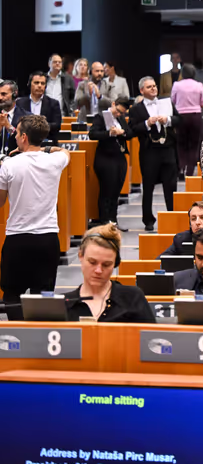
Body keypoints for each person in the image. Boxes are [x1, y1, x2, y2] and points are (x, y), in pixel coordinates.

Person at [0, 115, 69, 317]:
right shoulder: (55, 161)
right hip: (47, 239)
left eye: (17, 133)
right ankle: (39, 334)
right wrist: (47, 149)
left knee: (12, 295)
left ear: (24, 137)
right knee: (44, 296)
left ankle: (17, 332)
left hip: (17, 239)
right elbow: (65, 152)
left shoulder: (9, 165)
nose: (15, 137)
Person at [62, 224, 154, 322]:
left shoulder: (133, 298)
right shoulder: (62, 304)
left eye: (106, 265)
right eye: (92, 262)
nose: (98, 270)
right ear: (80, 256)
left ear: (115, 263)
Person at [128, 77, 180, 232]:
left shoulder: (167, 102)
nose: (153, 88)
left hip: (168, 149)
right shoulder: (136, 109)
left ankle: (172, 216)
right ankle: (148, 220)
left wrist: (168, 120)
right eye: (149, 87)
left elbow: (179, 119)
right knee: (148, 186)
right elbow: (132, 130)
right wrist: (147, 123)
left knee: (171, 185)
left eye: (154, 86)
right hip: (149, 151)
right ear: (141, 90)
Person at [89, 97, 133, 227]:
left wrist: (122, 132)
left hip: (119, 157)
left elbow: (130, 133)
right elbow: (93, 134)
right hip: (105, 158)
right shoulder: (100, 117)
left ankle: (113, 221)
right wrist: (109, 133)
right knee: (106, 191)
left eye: (122, 113)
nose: (118, 114)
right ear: (113, 104)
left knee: (116, 191)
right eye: (118, 111)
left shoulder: (120, 119)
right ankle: (104, 221)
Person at [170, 63, 203, 178]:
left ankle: (181, 168)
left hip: (180, 116)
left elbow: (173, 100)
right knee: (194, 144)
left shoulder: (176, 85)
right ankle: (190, 171)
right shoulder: (199, 85)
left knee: (181, 143)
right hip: (195, 116)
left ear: (182, 73)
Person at [16, 71, 61, 140]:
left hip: (46, 141)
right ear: (29, 84)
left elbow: (57, 125)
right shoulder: (20, 103)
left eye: (42, 83)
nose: (40, 86)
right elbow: (16, 122)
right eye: (36, 83)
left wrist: (37, 127)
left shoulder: (53, 103)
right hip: (24, 141)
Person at [0, 80, 27, 157]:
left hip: (17, 159)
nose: (0, 97)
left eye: (4, 94)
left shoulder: (26, 116)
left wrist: (9, 126)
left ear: (14, 94)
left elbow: (26, 142)